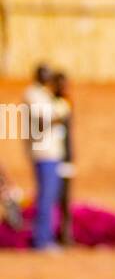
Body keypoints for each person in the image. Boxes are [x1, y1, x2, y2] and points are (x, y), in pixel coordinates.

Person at [21, 63, 69, 250]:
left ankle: (47, 237)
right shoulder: (33, 95)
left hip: (51, 152)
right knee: (46, 197)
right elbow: (41, 122)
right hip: (43, 153)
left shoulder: (44, 95)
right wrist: (60, 116)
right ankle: (42, 240)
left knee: (50, 197)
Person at [52, 71, 75, 245]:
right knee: (54, 196)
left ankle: (65, 235)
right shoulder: (51, 103)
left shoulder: (65, 103)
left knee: (66, 198)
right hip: (54, 156)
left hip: (65, 156)